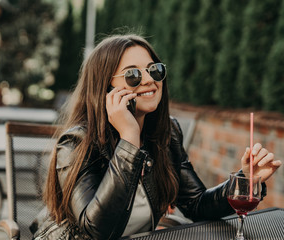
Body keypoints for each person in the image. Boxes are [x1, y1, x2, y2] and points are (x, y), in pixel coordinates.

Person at [32, 34, 282, 240]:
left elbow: (196, 204)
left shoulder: (166, 133)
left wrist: (245, 181)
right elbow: (99, 230)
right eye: (133, 75)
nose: (150, 80)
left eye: (154, 70)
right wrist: (129, 138)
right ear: (106, 88)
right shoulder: (77, 142)